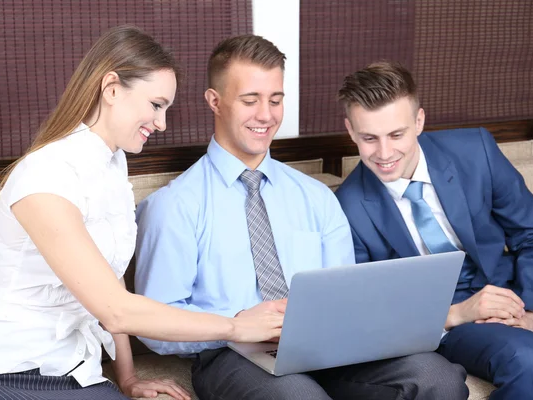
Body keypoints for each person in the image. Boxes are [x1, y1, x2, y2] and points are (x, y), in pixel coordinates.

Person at [0, 26, 284, 400]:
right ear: (111, 89)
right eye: (156, 105)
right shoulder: (44, 175)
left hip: (76, 372)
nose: (161, 123)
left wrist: (128, 378)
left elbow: (112, 284)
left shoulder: (113, 165)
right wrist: (235, 328)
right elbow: (117, 310)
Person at [134, 35, 468, 400]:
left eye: (275, 100)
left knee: (436, 376)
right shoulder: (175, 205)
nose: (266, 114)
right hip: (231, 353)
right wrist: (235, 326)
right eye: (250, 100)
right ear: (215, 101)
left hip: (329, 348)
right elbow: (154, 325)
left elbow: (346, 295)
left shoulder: (316, 197)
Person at [335, 61, 533, 400]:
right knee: (528, 358)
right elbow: (370, 308)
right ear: (350, 131)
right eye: (369, 138)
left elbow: (532, 233)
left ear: (419, 121)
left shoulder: (476, 151)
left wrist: (531, 310)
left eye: (396, 134)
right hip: (448, 318)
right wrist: (459, 314)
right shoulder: (347, 207)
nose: (385, 153)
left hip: (516, 291)